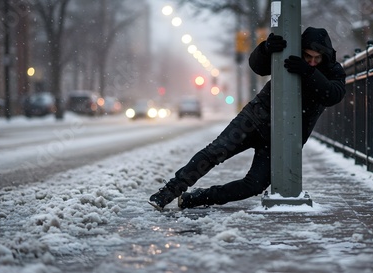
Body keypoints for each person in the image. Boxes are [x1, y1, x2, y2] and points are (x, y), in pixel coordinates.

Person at [148, 27, 346, 211]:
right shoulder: (290, 53)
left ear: (324, 56)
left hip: (283, 138)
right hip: (255, 117)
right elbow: (258, 66)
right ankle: (167, 193)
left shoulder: (332, 69)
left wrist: (307, 71)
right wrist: (266, 49)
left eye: (316, 58)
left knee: (254, 185)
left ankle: (197, 198)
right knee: (215, 152)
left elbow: (333, 95)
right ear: (301, 50)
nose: (312, 61)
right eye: (308, 57)